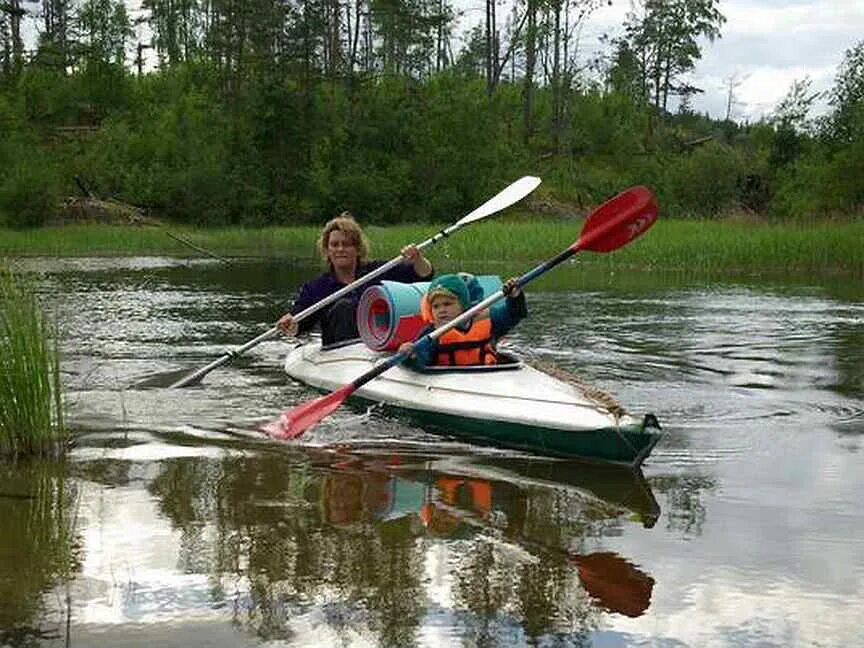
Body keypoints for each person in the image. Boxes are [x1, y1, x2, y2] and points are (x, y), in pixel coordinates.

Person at [278, 212, 433, 346]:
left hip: (375, 346)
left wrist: (417, 259)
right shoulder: (316, 288)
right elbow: (299, 320)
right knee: (344, 307)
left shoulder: (379, 271)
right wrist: (291, 322)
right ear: (327, 250)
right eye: (334, 245)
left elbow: (424, 275)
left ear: (358, 249)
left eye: (346, 244)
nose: (340, 249)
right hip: (338, 352)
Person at [398, 273, 526, 367]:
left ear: (463, 304)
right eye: (436, 306)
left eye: (448, 304)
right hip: (449, 383)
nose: (441, 310)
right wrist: (411, 356)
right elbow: (422, 359)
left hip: (490, 377)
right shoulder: (431, 334)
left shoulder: (489, 320)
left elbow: (515, 314)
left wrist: (515, 297)